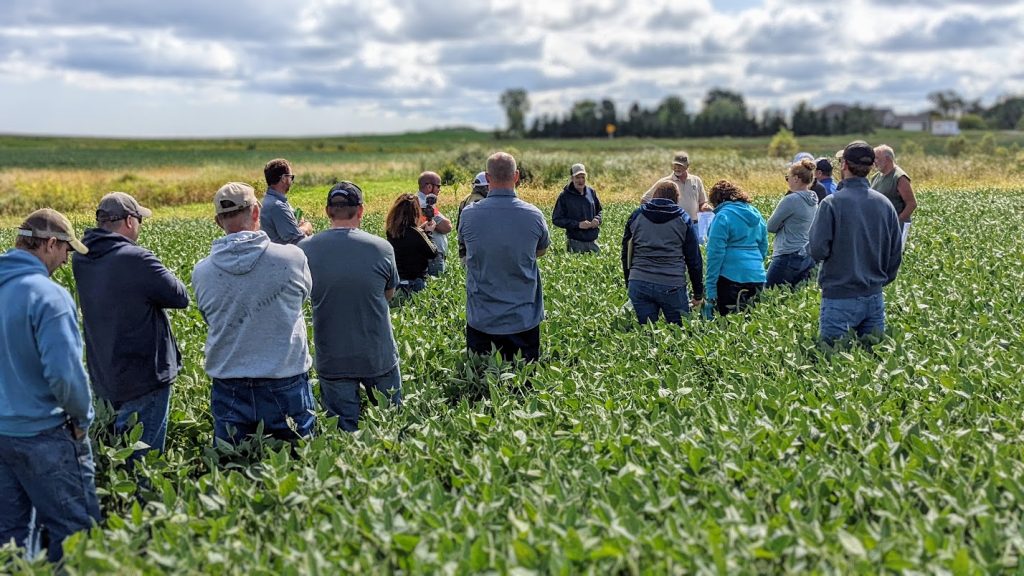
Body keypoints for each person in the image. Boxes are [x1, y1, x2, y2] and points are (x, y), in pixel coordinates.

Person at [0, 209, 99, 562]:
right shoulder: (48, 296)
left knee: (9, 541)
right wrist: (82, 420)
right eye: (66, 251)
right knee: (75, 535)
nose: (65, 260)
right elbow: (65, 377)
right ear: (50, 244)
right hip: (45, 434)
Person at [192, 182, 315, 445]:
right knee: (297, 466)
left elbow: (209, 317)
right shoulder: (293, 258)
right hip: (285, 380)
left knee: (232, 471)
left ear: (217, 221)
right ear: (257, 212)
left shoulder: (201, 272)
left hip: (229, 384)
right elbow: (302, 298)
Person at [72, 192, 189, 458]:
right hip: (144, 376)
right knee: (142, 462)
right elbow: (180, 296)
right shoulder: (136, 258)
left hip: (105, 374)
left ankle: (120, 499)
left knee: (116, 454)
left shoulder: (82, 258)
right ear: (128, 221)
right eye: (139, 220)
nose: (141, 226)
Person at [299, 182, 402, 432]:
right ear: (361, 210)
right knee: (390, 427)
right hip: (378, 352)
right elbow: (389, 292)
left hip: (333, 356)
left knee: (343, 431)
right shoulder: (381, 248)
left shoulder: (304, 250)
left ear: (327, 211)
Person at [809, 141, 903, 346]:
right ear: (870, 168)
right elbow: (896, 251)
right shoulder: (885, 204)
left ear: (843, 165)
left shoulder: (832, 203)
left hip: (839, 297)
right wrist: (881, 280)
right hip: (874, 297)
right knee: (873, 363)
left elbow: (817, 249)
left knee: (834, 362)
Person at [459, 152, 550, 362]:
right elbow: (540, 251)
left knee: (481, 389)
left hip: (482, 319)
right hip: (523, 319)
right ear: (516, 176)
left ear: (488, 178)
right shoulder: (533, 215)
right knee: (523, 386)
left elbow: (466, 248)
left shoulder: (469, 215)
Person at [621, 180, 704, 324]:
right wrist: (698, 293)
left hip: (639, 281)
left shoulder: (637, 215)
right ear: (676, 199)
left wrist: (630, 281)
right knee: (679, 333)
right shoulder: (683, 218)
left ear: (654, 196)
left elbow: (626, 252)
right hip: (671, 284)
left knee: (647, 332)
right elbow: (694, 259)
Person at [704, 180, 768, 316]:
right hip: (757, 275)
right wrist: (754, 264)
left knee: (728, 326)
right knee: (753, 324)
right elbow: (763, 246)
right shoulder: (756, 214)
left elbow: (715, 254)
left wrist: (710, 288)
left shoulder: (722, 216)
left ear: (716, 200)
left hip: (730, 277)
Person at [765, 160, 818, 289]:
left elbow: (770, 226)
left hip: (786, 254)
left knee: (770, 293)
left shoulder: (791, 200)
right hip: (805, 254)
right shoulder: (813, 199)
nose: (787, 181)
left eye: (787, 177)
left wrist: (782, 224)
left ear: (796, 179)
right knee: (794, 294)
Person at [385, 193, 438, 294]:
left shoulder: (391, 231)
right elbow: (433, 253)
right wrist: (429, 233)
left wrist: (421, 230)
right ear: (415, 212)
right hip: (415, 282)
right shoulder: (417, 233)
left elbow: (408, 240)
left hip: (398, 281)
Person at [641, 151, 711, 223]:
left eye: (680, 166)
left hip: (694, 222)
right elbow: (645, 200)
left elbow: (702, 202)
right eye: (675, 165)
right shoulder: (665, 182)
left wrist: (705, 207)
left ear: (687, 166)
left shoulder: (696, 180)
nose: (677, 168)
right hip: (674, 223)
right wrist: (654, 217)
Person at [870, 144, 918, 248]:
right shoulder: (875, 177)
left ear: (887, 159)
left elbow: (911, 204)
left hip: (894, 229)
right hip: (880, 228)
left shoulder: (899, 177)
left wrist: (897, 222)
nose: (874, 162)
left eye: (877, 158)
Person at [260, 158, 313, 244]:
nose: (292, 181)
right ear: (284, 178)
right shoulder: (277, 206)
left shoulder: (267, 200)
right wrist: (306, 227)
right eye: (291, 177)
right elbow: (297, 239)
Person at [552, 163, 603, 253]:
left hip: (593, 242)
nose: (580, 180)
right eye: (577, 177)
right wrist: (577, 224)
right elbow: (556, 219)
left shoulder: (591, 192)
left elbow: (599, 211)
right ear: (572, 178)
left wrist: (597, 219)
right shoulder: (564, 196)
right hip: (575, 243)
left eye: (583, 177)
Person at [415, 171, 453, 276]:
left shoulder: (415, 201)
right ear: (429, 186)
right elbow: (446, 227)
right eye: (438, 186)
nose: (439, 189)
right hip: (432, 255)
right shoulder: (424, 204)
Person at [456, 171, 489, 261]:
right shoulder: (480, 203)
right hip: (476, 255)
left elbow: (459, 227)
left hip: (465, 252)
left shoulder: (466, 199)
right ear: (486, 187)